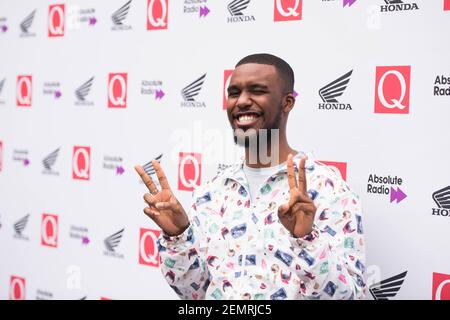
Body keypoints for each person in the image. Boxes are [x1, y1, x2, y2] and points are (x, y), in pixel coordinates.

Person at [135, 53, 366, 300]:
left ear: (287, 102)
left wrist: (305, 240)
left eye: (257, 90)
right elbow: (197, 293)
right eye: (234, 93)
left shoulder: (327, 188)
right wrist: (178, 236)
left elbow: (350, 297)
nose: (242, 101)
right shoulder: (211, 192)